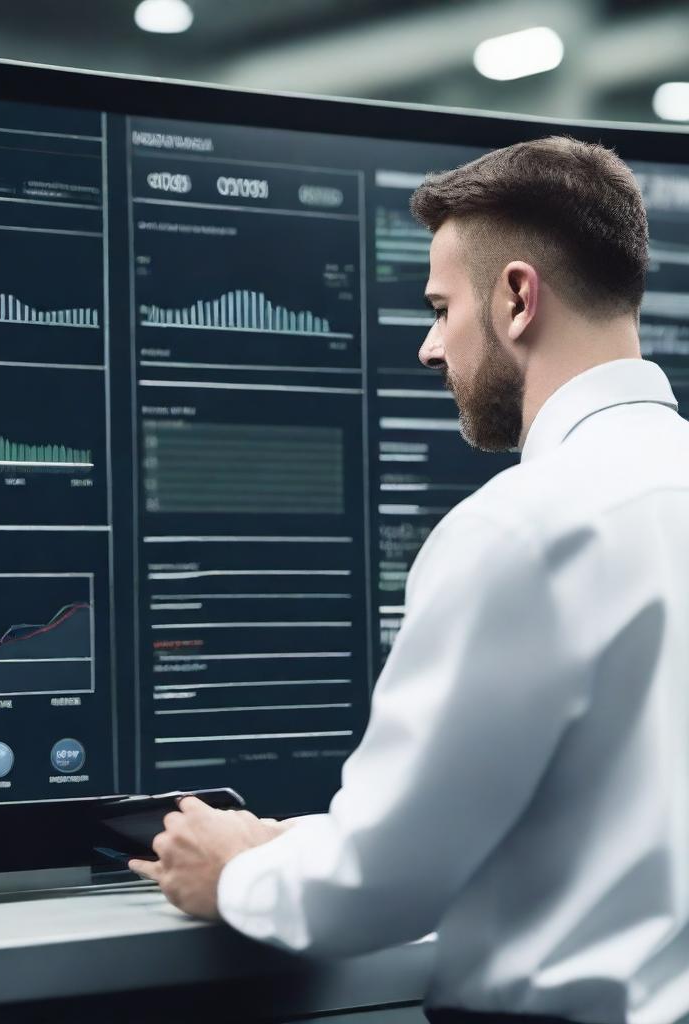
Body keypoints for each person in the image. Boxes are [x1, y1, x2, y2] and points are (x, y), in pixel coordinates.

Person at [129, 136, 689, 1024]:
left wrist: (234, 870)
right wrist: (307, 838)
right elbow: (609, 810)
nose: (431, 349)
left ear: (516, 297)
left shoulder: (518, 528)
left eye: (439, 308)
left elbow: (379, 889)